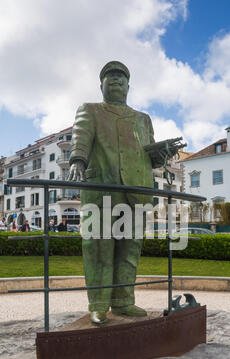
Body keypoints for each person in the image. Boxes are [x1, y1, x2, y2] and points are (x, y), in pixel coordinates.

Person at [68, 61, 165, 325]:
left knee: (130, 249)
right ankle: (98, 305)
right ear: (102, 85)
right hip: (101, 190)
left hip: (137, 191)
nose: (117, 81)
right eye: (111, 77)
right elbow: (81, 137)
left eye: (122, 78)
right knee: (98, 247)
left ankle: (123, 302)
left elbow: (149, 155)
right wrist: (77, 160)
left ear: (129, 86)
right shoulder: (90, 110)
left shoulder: (143, 119)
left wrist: (161, 156)